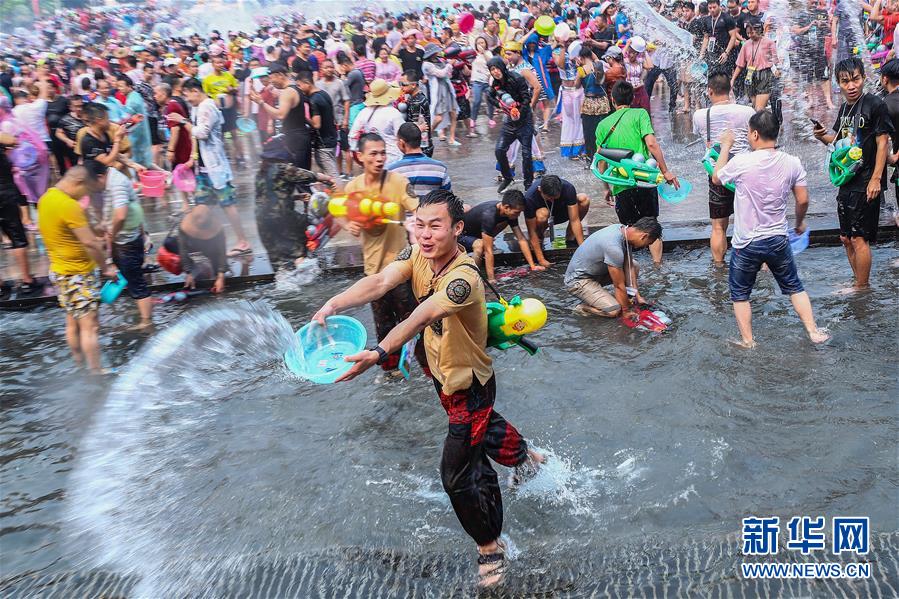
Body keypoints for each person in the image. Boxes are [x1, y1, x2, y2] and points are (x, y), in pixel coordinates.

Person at [312, 189, 543, 587]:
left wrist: (378, 351)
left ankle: (490, 547)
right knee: (478, 435)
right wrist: (334, 304)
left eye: (436, 226)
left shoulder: (462, 279)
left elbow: (422, 315)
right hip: (442, 372)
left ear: (457, 228)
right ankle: (526, 457)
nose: (425, 234)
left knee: (456, 474)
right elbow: (381, 280)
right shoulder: (416, 254)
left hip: (468, 383)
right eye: (419, 225)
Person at [712, 111, 830, 346]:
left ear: (755, 134)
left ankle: (748, 340)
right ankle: (814, 331)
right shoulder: (792, 162)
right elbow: (803, 200)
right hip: (777, 239)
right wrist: (799, 224)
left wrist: (726, 145)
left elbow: (717, 178)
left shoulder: (742, 161)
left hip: (746, 243)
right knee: (794, 287)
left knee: (740, 294)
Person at [342, 133, 422, 373]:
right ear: (360, 156)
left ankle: (429, 369)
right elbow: (347, 216)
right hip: (373, 272)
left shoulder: (398, 182)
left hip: (400, 270)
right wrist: (350, 225)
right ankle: (391, 371)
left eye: (383, 153)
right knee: (383, 326)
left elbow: (418, 209)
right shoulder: (353, 187)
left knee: (414, 322)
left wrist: (415, 223)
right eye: (373, 153)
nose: (379, 158)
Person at [812, 57, 892, 290]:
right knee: (846, 238)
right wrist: (821, 136)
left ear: (864, 78)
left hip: (866, 179)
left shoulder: (875, 104)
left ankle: (861, 287)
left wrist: (876, 178)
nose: (851, 85)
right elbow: (837, 140)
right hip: (847, 179)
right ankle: (858, 281)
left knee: (859, 237)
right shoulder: (846, 107)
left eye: (855, 79)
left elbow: (882, 143)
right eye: (845, 81)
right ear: (838, 83)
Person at [37, 166, 116, 374]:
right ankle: (96, 371)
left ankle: (80, 365)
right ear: (79, 182)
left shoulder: (46, 198)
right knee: (90, 326)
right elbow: (90, 244)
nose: (86, 195)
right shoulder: (68, 205)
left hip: (60, 272)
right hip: (78, 274)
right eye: (87, 190)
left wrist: (95, 228)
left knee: (72, 323)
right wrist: (106, 267)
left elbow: (68, 231)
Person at [594, 81, 678, 264]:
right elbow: (651, 143)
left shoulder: (602, 125)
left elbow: (601, 160)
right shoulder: (640, 114)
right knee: (651, 224)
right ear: (632, 98)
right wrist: (666, 171)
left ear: (612, 99)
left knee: (628, 228)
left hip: (620, 183)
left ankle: (629, 271)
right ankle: (658, 267)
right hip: (643, 179)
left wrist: (606, 187)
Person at [177, 77, 252, 257]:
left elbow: (201, 133)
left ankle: (242, 241)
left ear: (195, 90)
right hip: (203, 168)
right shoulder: (197, 107)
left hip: (215, 167)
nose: (188, 100)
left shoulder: (207, 106)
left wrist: (184, 123)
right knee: (202, 207)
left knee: (227, 204)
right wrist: (192, 158)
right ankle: (202, 241)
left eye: (188, 96)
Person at [692, 70, 756, 264]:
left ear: (709, 91)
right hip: (744, 172)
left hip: (717, 174)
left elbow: (701, 137)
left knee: (719, 227)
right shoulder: (748, 112)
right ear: (731, 89)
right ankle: (758, 264)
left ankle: (719, 265)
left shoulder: (700, 115)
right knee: (752, 223)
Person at [91, 161, 153, 330]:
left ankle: (146, 322)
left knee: (136, 281)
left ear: (99, 177)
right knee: (127, 277)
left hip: (127, 242)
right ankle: (141, 314)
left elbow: (120, 215)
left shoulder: (116, 183)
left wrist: (111, 233)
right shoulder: (111, 179)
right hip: (125, 239)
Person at [565, 218, 661, 318]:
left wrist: (637, 296)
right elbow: (618, 285)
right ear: (644, 236)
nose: (646, 247)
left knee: (635, 265)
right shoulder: (613, 246)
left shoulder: (624, 231)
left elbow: (629, 266)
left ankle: (624, 299)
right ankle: (582, 307)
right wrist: (626, 311)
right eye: (648, 244)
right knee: (614, 310)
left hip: (595, 273)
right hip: (578, 281)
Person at [255, 159, 335, 267]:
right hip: (282, 218)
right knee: (307, 230)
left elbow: (269, 197)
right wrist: (329, 179)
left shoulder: (261, 172)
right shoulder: (283, 168)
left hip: (262, 221)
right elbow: (310, 176)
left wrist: (296, 197)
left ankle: (283, 279)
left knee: (278, 260)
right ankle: (303, 269)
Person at [461, 190, 544, 282]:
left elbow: (521, 239)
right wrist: (491, 279)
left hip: (477, 233)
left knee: (504, 223)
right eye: (517, 212)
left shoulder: (509, 214)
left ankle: (487, 240)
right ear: (506, 207)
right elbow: (489, 251)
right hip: (461, 237)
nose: (518, 215)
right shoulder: (489, 215)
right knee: (481, 245)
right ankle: (472, 276)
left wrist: (533, 266)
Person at [486, 54, 537, 193]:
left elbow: (527, 99)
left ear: (502, 67)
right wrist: (501, 106)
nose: (495, 72)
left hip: (524, 121)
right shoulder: (496, 84)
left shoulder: (517, 78)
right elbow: (489, 96)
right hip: (509, 123)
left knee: (526, 155)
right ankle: (508, 177)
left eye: (497, 68)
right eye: (492, 69)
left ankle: (528, 185)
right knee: (499, 150)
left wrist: (518, 111)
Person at [249, 64, 313, 170]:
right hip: (300, 136)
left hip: (295, 139)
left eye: (272, 79)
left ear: (280, 75)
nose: (271, 82)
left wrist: (261, 102)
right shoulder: (295, 88)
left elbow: (280, 115)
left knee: (299, 176)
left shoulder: (288, 92)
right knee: (303, 176)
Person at [0, 131, 37, 296]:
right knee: (17, 237)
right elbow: (12, 140)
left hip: (5, 192)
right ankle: (27, 280)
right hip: (4, 195)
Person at [523, 174, 590, 264]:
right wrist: (541, 260)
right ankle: (539, 238)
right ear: (540, 190)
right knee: (542, 214)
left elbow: (575, 220)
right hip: (543, 218)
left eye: (554, 198)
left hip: (562, 213)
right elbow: (531, 231)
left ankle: (570, 235)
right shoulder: (529, 198)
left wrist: (583, 249)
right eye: (549, 198)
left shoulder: (568, 188)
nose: (551, 200)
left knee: (584, 199)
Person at [348, 79, 406, 164]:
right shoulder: (393, 113)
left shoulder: (363, 113)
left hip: (372, 160)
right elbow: (403, 138)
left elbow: (352, 136)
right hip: (392, 159)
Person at [155, 82, 192, 211]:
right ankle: (186, 202)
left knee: (182, 173)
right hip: (180, 145)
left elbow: (175, 130)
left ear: (164, 94)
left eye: (156, 93)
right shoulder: (169, 106)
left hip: (181, 147)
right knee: (180, 174)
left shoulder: (172, 106)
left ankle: (188, 202)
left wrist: (170, 150)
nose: (155, 96)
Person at [387, 122, 450, 198]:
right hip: (432, 209)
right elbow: (449, 201)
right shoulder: (440, 168)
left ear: (401, 143)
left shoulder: (392, 171)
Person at [296, 69, 339, 179]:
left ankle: (341, 195)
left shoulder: (313, 100)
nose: (298, 89)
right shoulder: (324, 94)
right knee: (328, 175)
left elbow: (316, 125)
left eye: (299, 85)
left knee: (332, 177)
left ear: (307, 83)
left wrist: (304, 118)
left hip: (323, 144)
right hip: (332, 139)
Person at [176, 204, 228, 294]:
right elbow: (182, 249)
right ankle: (195, 268)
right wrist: (188, 272)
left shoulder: (218, 229)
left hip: (209, 245)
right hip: (191, 244)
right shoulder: (184, 227)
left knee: (217, 265)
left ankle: (212, 267)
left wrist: (221, 275)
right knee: (170, 244)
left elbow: (222, 251)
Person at [731, 19, 778, 111]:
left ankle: (764, 123)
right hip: (750, 76)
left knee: (759, 108)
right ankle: (762, 123)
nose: (749, 35)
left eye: (751, 33)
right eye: (748, 33)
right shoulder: (746, 45)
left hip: (765, 76)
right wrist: (732, 79)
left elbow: (775, 61)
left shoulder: (769, 43)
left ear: (758, 30)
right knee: (755, 108)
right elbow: (740, 65)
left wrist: (777, 70)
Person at [316, 58, 352, 178]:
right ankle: (339, 172)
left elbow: (346, 101)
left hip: (339, 120)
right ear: (322, 69)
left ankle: (349, 173)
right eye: (326, 67)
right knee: (332, 147)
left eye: (331, 67)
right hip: (325, 123)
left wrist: (346, 119)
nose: (329, 69)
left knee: (345, 147)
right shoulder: (318, 84)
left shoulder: (340, 83)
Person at [422, 43, 460, 146]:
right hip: (438, 92)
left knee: (453, 113)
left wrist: (449, 66)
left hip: (447, 89)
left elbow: (448, 74)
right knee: (438, 118)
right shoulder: (426, 65)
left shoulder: (440, 60)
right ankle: (427, 136)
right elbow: (441, 73)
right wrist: (449, 65)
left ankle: (452, 138)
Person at [115, 74, 153, 168]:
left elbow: (128, 120)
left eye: (121, 86)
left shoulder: (132, 101)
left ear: (129, 86)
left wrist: (119, 126)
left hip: (137, 136)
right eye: (118, 86)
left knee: (137, 165)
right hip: (141, 133)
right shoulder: (135, 95)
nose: (119, 89)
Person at [397, 70, 433, 157]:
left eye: (404, 84)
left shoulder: (417, 102)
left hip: (420, 146)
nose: (401, 87)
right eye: (400, 84)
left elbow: (414, 128)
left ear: (413, 85)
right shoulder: (414, 97)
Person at [699, 0, 739, 79]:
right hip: (712, 54)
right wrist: (702, 54)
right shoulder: (706, 20)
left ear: (719, 6)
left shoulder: (727, 18)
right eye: (710, 8)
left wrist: (726, 53)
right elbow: (706, 37)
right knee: (711, 79)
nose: (712, 10)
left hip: (724, 53)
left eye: (714, 7)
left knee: (724, 79)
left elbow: (733, 37)